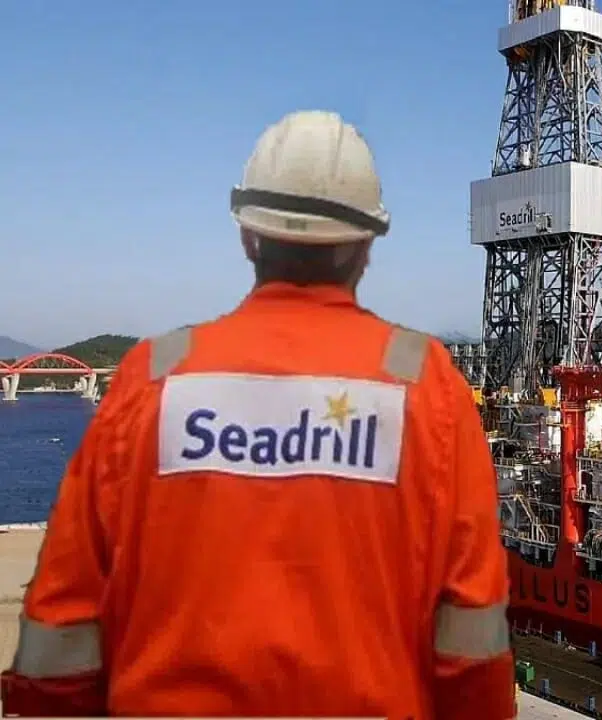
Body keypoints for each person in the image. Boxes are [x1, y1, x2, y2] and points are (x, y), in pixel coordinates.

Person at [1, 110, 515, 719]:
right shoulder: (428, 388)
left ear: (248, 236)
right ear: (365, 245)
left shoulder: (152, 379)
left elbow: (62, 620)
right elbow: (472, 646)